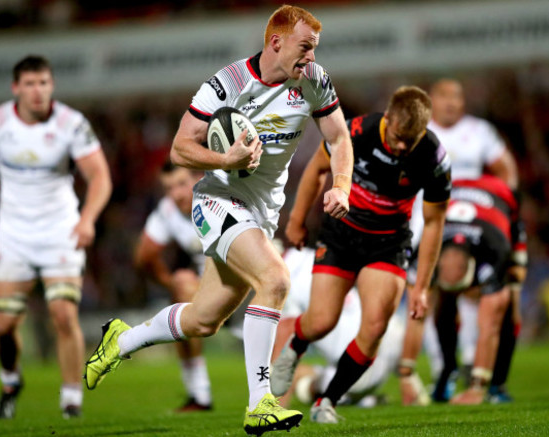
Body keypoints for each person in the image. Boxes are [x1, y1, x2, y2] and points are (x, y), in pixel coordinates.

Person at [83, 5, 353, 436]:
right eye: (305, 48)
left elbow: (339, 137)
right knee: (275, 279)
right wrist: (225, 159)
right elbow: (179, 149)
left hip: (261, 212)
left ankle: (121, 340)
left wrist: (341, 184)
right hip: (218, 200)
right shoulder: (227, 84)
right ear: (276, 43)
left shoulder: (314, 81)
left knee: (203, 321)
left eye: (315, 49)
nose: (311, 58)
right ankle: (260, 403)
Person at [270, 85, 450, 424]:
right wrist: (295, 220)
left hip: (388, 243)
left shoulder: (432, 157)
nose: (400, 146)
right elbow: (317, 169)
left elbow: (436, 222)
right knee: (322, 321)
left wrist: (422, 286)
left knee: (375, 327)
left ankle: (328, 401)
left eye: (408, 141)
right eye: (397, 136)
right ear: (389, 118)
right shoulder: (356, 132)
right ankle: (295, 344)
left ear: (423, 131)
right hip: (342, 236)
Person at [0, 55, 112, 419]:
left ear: (52, 85)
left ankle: (71, 400)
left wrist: (87, 220)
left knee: (63, 313)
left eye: (44, 82)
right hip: (12, 234)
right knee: (2, 326)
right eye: (30, 84)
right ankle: (11, 380)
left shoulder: (71, 123)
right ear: (16, 88)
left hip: (60, 231)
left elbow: (100, 177)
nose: (38, 91)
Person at [401, 78, 520, 403]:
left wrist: (498, 202)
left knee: (478, 295)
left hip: (474, 227)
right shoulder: (416, 131)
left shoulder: (479, 131)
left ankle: (475, 368)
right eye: (444, 96)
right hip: (425, 226)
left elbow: (506, 170)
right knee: (428, 299)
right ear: (431, 101)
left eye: (457, 96)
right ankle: (446, 369)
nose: (452, 103)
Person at [429, 175, 527, 405]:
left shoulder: (496, 249)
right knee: (443, 301)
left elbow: (489, 325)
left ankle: (496, 384)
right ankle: (448, 370)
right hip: (462, 200)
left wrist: (476, 387)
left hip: (500, 212)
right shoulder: (428, 245)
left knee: (509, 301)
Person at [273, 247, 406, 408]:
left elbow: (286, 331)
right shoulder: (309, 255)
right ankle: (369, 397)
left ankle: (352, 396)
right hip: (392, 332)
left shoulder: (279, 279)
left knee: (305, 387)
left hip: (357, 362)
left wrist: (276, 403)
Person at [133, 161, 213, 412]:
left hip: (247, 280)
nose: (176, 194)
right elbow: (143, 256)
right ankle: (199, 394)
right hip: (211, 286)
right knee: (182, 292)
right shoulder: (168, 211)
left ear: (198, 178)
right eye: (169, 188)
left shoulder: (216, 198)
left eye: (181, 184)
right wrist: (169, 281)